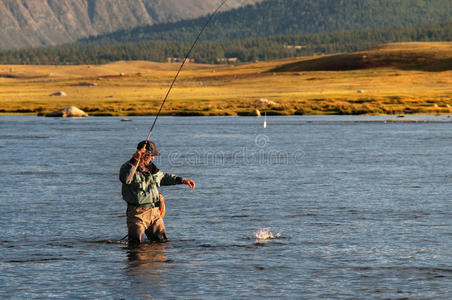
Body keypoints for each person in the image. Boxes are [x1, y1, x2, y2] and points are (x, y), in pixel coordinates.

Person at [119, 140, 195, 245]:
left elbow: (162, 177)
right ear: (144, 154)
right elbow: (126, 179)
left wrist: (182, 180)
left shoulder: (151, 168)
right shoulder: (128, 167)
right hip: (137, 214)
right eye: (151, 155)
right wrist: (135, 159)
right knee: (135, 247)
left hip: (155, 213)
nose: (153, 158)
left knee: (161, 244)